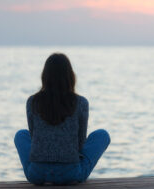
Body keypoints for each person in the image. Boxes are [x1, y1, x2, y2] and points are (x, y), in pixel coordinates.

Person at [14, 53, 110, 185]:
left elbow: (33, 136)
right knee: (102, 135)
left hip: (37, 174)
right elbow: (80, 143)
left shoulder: (32, 101)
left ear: (44, 76)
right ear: (70, 76)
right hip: (70, 175)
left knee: (21, 135)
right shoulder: (81, 102)